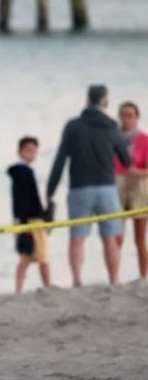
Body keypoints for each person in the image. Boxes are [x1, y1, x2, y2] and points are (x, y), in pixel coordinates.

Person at [47, 85, 132, 286]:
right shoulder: (111, 125)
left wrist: (50, 190)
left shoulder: (73, 126)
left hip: (79, 188)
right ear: (105, 101)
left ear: (88, 99)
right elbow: (126, 161)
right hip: (106, 188)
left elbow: (60, 160)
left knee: (77, 237)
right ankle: (114, 280)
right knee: (110, 238)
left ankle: (77, 280)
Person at [8, 136, 52, 293]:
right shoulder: (24, 172)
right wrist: (25, 222)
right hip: (30, 220)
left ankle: (19, 289)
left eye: (34, 151)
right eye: (28, 151)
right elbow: (24, 200)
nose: (31, 154)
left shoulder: (23, 172)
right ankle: (48, 287)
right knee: (42, 258)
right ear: (20, 151)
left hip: (25, 219)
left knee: (26, 258)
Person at [116, 101, 148, 279]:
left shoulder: (144, 139)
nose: (125, 119)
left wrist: (138, 172)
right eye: (122, 115)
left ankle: (143, 276)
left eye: (129, 115)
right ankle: (115, 276)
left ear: (137, 117)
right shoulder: (114, 137)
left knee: (140, 238)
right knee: (116, 236)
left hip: (139, 186)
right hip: (119, 184)